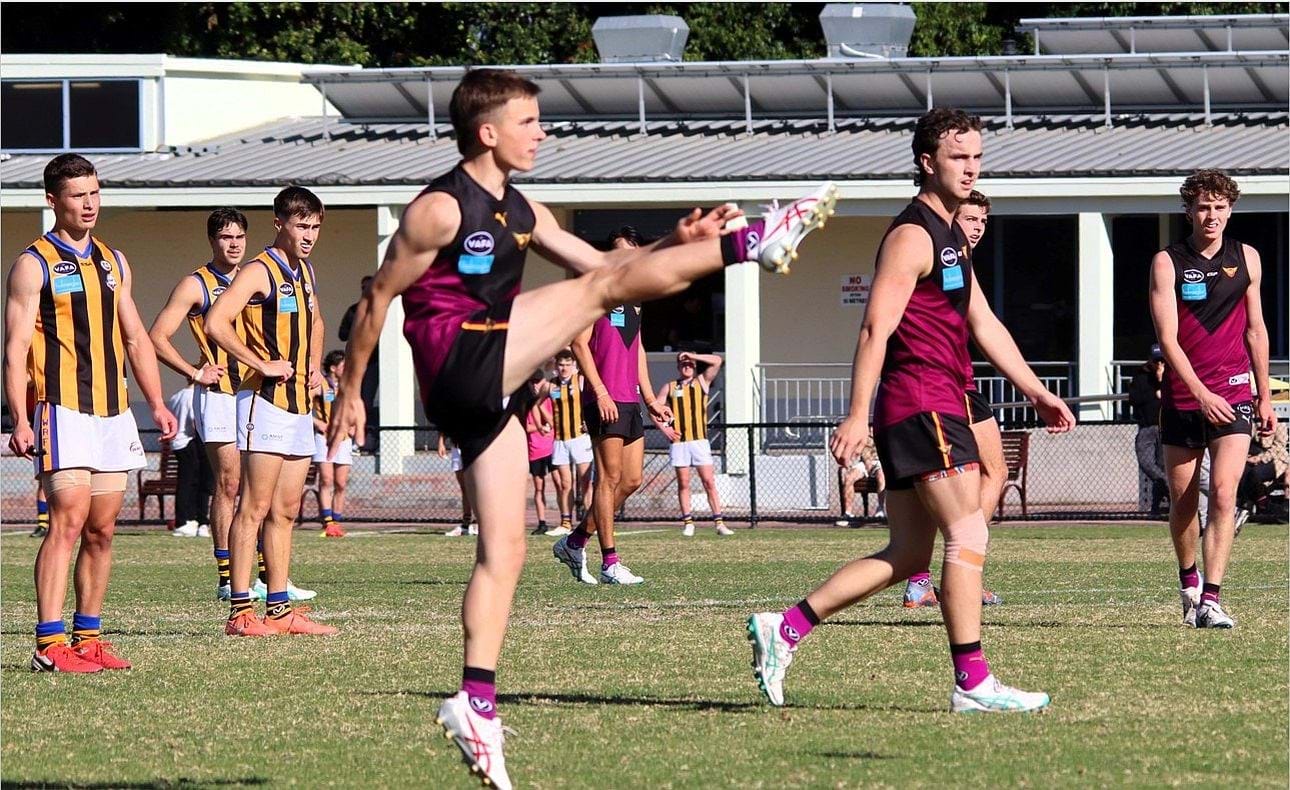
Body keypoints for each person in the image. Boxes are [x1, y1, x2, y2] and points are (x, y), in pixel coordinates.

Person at [326, 68, 835, 790]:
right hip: (458, 360)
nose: (543, 132)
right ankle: (752, 240)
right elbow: (378, 297)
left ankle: (476, 704)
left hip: (485, 392)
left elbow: (604, 264)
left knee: (504, 550)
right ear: (488, 131)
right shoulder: (439, 209)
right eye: (530, 121)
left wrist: (668, 243)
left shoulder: (523, 209)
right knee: (594, 298)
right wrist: (352, 393)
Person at [746, 108, 1074, 714]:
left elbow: (982, 320)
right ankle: (973, 683)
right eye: (959, 157)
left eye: (977, 156)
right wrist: (854, 415)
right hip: (922, 402)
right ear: (927, 162)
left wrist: (1035, 389)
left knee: (906, 556)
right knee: (969, 530)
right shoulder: (912, 235)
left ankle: (785, 627)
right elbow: (875, 328)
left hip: (935, 402)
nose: (972, 167)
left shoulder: (953, 235)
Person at [6, 153, 178, 672]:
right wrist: (18, 417)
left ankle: (88, 638)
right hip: (63, 411)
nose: (90, 203)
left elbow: (134, 336)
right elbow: (14, 348)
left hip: (114, 412)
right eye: (79, 195)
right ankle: (48, 644)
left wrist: (155, 402)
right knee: (68, 521)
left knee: (102, 529)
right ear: (52, 200)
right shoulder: (33, 263)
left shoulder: (113, 260)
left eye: (96, 192)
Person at [205, 185, 337, 637]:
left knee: (285, 510)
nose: (310, 235)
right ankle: (241, 613)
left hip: (299, 404)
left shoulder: (306, 271)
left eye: (316, 227)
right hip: (264, 402)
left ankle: (280, 611)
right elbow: (215, 322)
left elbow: (316, 320)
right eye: (302, 226)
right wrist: (259, 363)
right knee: (254, 506)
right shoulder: (258, 272)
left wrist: (315, 366)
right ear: (279, 222)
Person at [1149, 169, 1275, 630]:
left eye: (1220, 207)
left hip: (1236, 392)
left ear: (1230, 210)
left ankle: (1212, 598)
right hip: (1184, 396)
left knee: (1223, 493)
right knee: (1183, 501)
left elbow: (1255, 329)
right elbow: (1168, 338)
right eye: (1204, 206)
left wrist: (1265, 395)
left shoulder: (1247, 258)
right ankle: (1189, 584)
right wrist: (1200, 394)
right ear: (1189, 210)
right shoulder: (1167, 262)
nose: (1212, 215)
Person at [901, 189, 1005, 609]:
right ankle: (956, 571)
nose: (977, 227)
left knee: (973, 478)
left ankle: (934, 576)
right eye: (969, 218)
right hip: (945, 385)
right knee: (988, 473)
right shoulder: (931, 248)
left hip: (959, 381)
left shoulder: (959, 257)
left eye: (982, 220)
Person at [557, 226, 672, 585]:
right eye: (618, 250)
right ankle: (610, 563)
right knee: (607, 479)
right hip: (603, 399)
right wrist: (601, 391)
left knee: (631, 480)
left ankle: (575, 541)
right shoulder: (598, 291)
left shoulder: (636, 299)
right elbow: (578, 344)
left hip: (629, 399)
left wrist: (651, 399)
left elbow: (636, 348)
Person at [149, 207, 252, 598]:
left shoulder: (255, 278)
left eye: (240, 236)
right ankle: (228, 577)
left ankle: (262, 573)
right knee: (229, 483)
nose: (235, 244)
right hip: (218, 395)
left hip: (257, 393)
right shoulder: (196, 284)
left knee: (257, 489)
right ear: (213, 240)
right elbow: (157, 336)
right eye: (227, 237)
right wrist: (194, 373)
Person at [657, 351, 732, 536]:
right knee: (684, 482)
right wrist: (664, 429)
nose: (687, 366)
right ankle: (688, 522)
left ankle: (719, 522)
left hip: (699, 440)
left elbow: (717, 361)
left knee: (708, 481)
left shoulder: (701, 382)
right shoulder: (670, 386)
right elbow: (655, 409)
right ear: (678, 366)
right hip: (679, 442)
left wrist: (692, 355)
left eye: (689, 364)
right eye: (683, 364)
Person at [548, 348, 592, 536]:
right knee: (564, 484)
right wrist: (547, 422)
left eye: (567, 364)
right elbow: (534, 404)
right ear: (556, 367)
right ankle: (565, 522)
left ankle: (591, 522)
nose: (564, 368)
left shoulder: (580, 380)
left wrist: (588, 421)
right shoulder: (551, 385)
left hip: (580, 439)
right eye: (561, 365)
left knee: (586, 482)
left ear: (573, 366)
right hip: (560, 440)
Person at [312, 349, 351, 538]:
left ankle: (337, 521)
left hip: (343, 438)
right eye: (344, 366)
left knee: (341, 483)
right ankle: (327, 521)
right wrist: (317, 422)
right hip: (324, 438)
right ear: (334, 368)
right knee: (326, 479)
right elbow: (303, 403)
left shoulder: (348, 386)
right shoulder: (322, 385)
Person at [338, 275, 378, 451]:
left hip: (374, 363)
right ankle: (351, 437)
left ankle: (365, 440)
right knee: (353, 397)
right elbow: (342, 334)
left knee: (367, 401)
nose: (366, 291)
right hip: (355, 362)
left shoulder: (379, 310)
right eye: (363, 287)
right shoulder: (354, 311)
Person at [168, 386, 212, 538]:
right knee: (195, 483)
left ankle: (185, 520)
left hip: (177, 442)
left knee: (184, 482)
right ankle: (190, 520)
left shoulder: (176, 396)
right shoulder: (194, 396)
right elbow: (195, 422)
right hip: (190, 442)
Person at [1129, 344, 1168, 515]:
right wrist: (1155, 389)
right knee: (1146, 461)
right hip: (1146, 426)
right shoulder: (1141, 376)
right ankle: (1167, 484)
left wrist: (1162, 380)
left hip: (1165, 426)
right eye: (1156, 360)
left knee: (1162, 464)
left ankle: (1157, 507)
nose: (1159, 364)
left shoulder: (1171, 375)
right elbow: (1135, 398)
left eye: (1162, 360)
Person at [526, 370, 555, 535]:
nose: (536, 385)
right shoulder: (526, 405)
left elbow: (553, 422)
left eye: (538, 381)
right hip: (535, 450)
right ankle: (542, 522)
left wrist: (540, 403)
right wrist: (539, 427)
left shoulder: (549, 401)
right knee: (539, 487)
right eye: (533, 381)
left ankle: (566, 521)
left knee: (561, 484)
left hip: (552, 447)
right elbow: (525, 427)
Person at [835, 433, 885, 526]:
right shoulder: (863, 431)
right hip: (864, 463)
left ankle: (881, 510)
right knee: (848, 477)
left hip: (880, 462)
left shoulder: (882, 429)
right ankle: (848, 514)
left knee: (881, 475)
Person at [437, 433, 477, 536]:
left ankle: (479, 523)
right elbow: (446, 422)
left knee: (477, 486)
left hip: (474, 446)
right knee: (465, 487)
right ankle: (466, 525)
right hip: (457, 447)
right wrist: (441, 443)